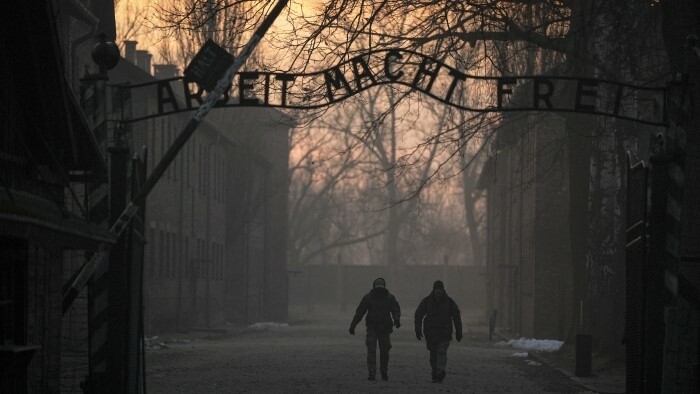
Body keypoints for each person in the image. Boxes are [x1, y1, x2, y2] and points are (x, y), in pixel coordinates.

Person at [349, 277, 401, 381]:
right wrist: (353, 325)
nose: (379, 291)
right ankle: (375, 374)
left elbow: (395, 309)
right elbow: (360, 312)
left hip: (382, 328)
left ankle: (381, 373)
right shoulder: (372, 298)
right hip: (374, 327)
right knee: (373, 351)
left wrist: (397, 319)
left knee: (383, 351)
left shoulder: (384, 298)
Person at [414, 280, 462, 383]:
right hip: (431, 334)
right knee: (433, 356)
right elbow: (418, 314)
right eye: (437, 289)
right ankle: (436, 372)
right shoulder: (426, 301)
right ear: (434, 290)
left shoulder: (449, 302)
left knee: (441, 352)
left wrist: (459, 331)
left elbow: (456, 316)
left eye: (440, 289)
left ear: (443, 290)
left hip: (444, 333)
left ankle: (440, 371)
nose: (438, 291)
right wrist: (417, 329)